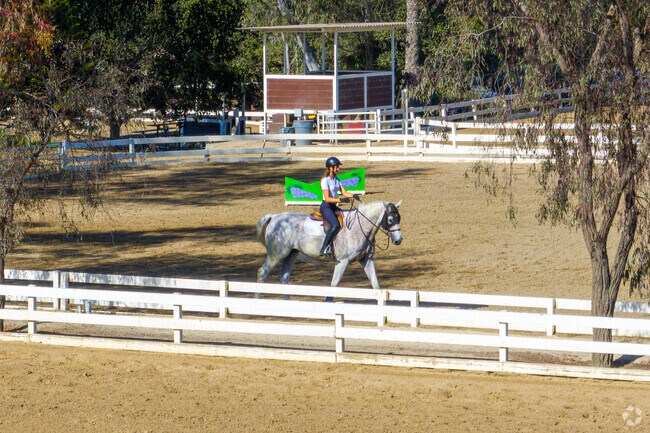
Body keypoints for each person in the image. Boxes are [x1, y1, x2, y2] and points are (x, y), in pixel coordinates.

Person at [319, 156, 357, 257]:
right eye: (336, 167)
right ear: (330, 168)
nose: (338, 169)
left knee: (346, 218)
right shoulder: (325, 181)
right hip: (326, 206)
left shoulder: (336, 179)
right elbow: (327, 198)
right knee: (335, 225)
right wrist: (340, 200)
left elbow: (344, 192)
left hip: (333, 206)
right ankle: (324, 248)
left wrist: (353, 195)